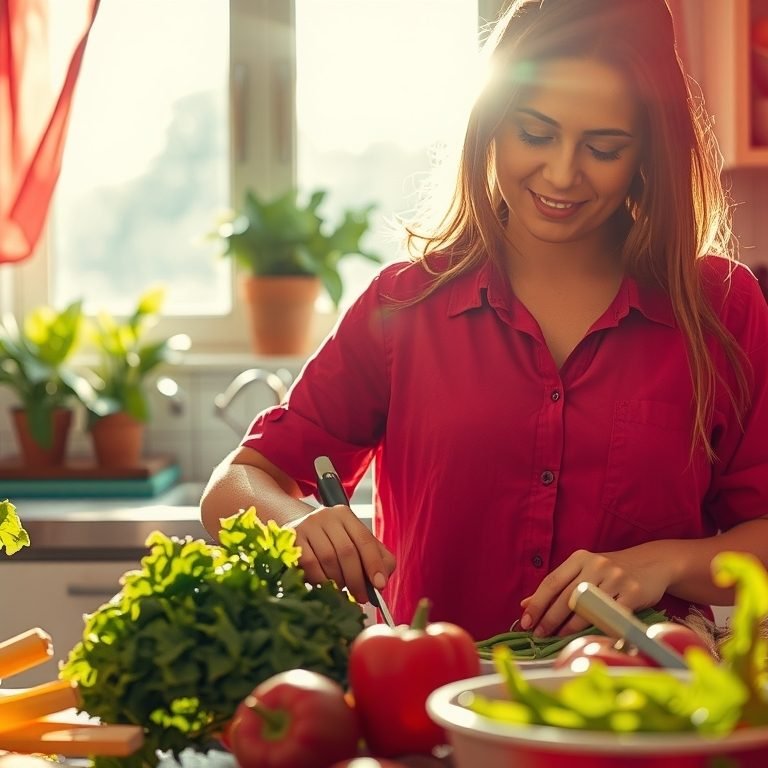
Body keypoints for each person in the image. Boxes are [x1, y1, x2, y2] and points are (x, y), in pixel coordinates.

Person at [201, 0, 768, 643]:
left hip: (640, 714)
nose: (561, 173)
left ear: (648, 152)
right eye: (535, 133)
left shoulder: (721, 310)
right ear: (492, 127)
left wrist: (667, 562)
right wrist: (292, 522)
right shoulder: (404, 305)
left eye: (603, 147)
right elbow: (235, 484)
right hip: (429, 719)